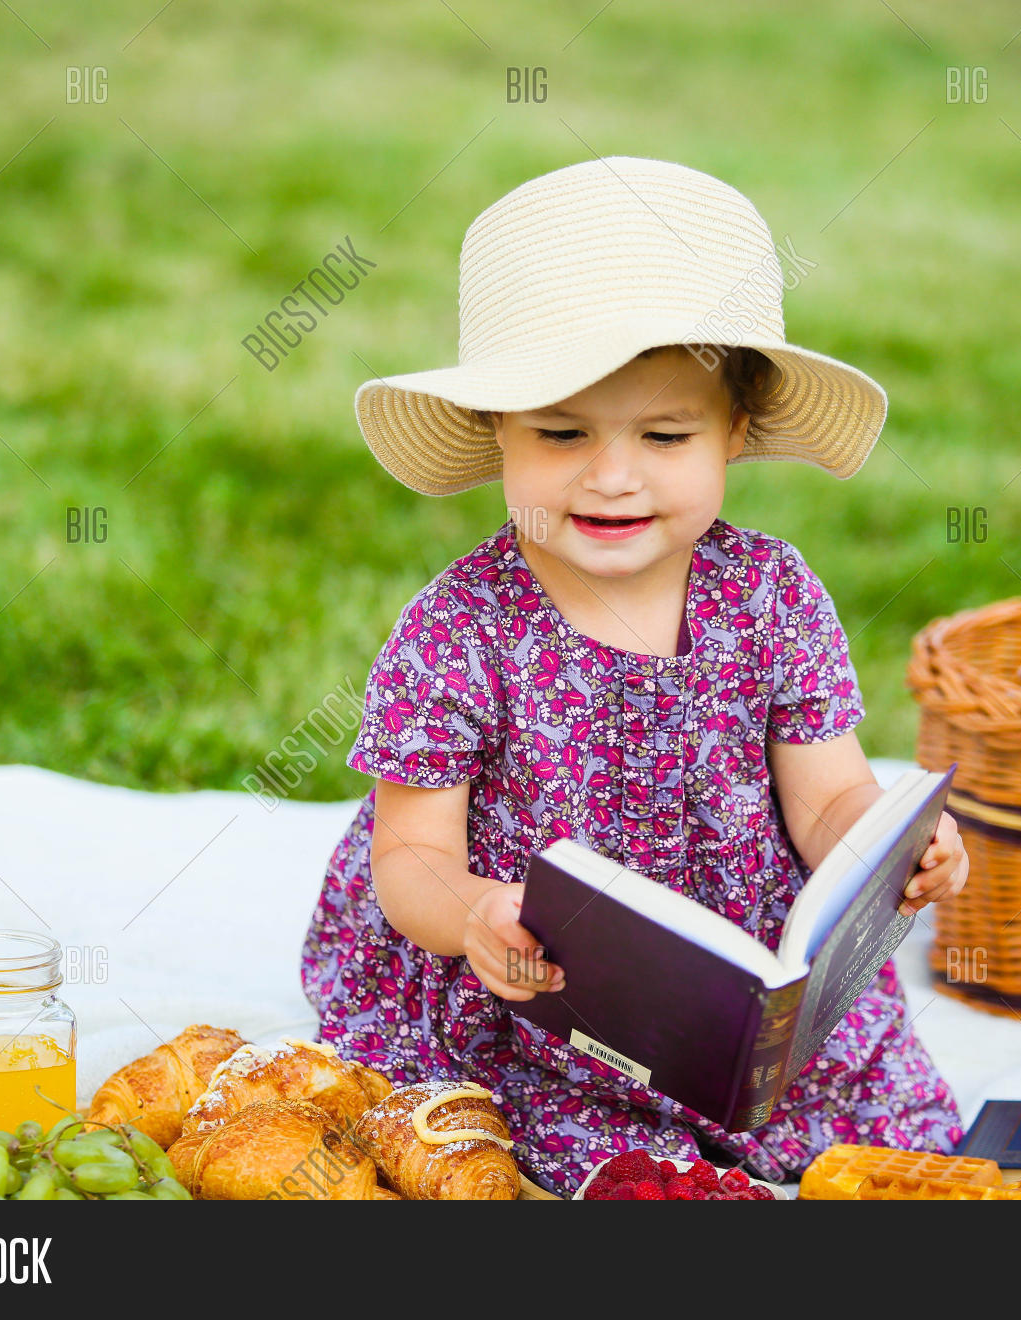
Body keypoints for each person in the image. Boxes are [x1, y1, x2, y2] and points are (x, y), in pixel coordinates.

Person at [301, 156, 970, 1195]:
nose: (611, 475)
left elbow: (829, 796)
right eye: (561, 433)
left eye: (664, 435)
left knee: (873, 1128)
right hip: (543, 991)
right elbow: (411, 857)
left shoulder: (771, 593)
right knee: (592, 1159)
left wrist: (889, 851)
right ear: (497, 431)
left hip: (738, 984)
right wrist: (474, 913)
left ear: (735, 433)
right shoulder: (460, 627)